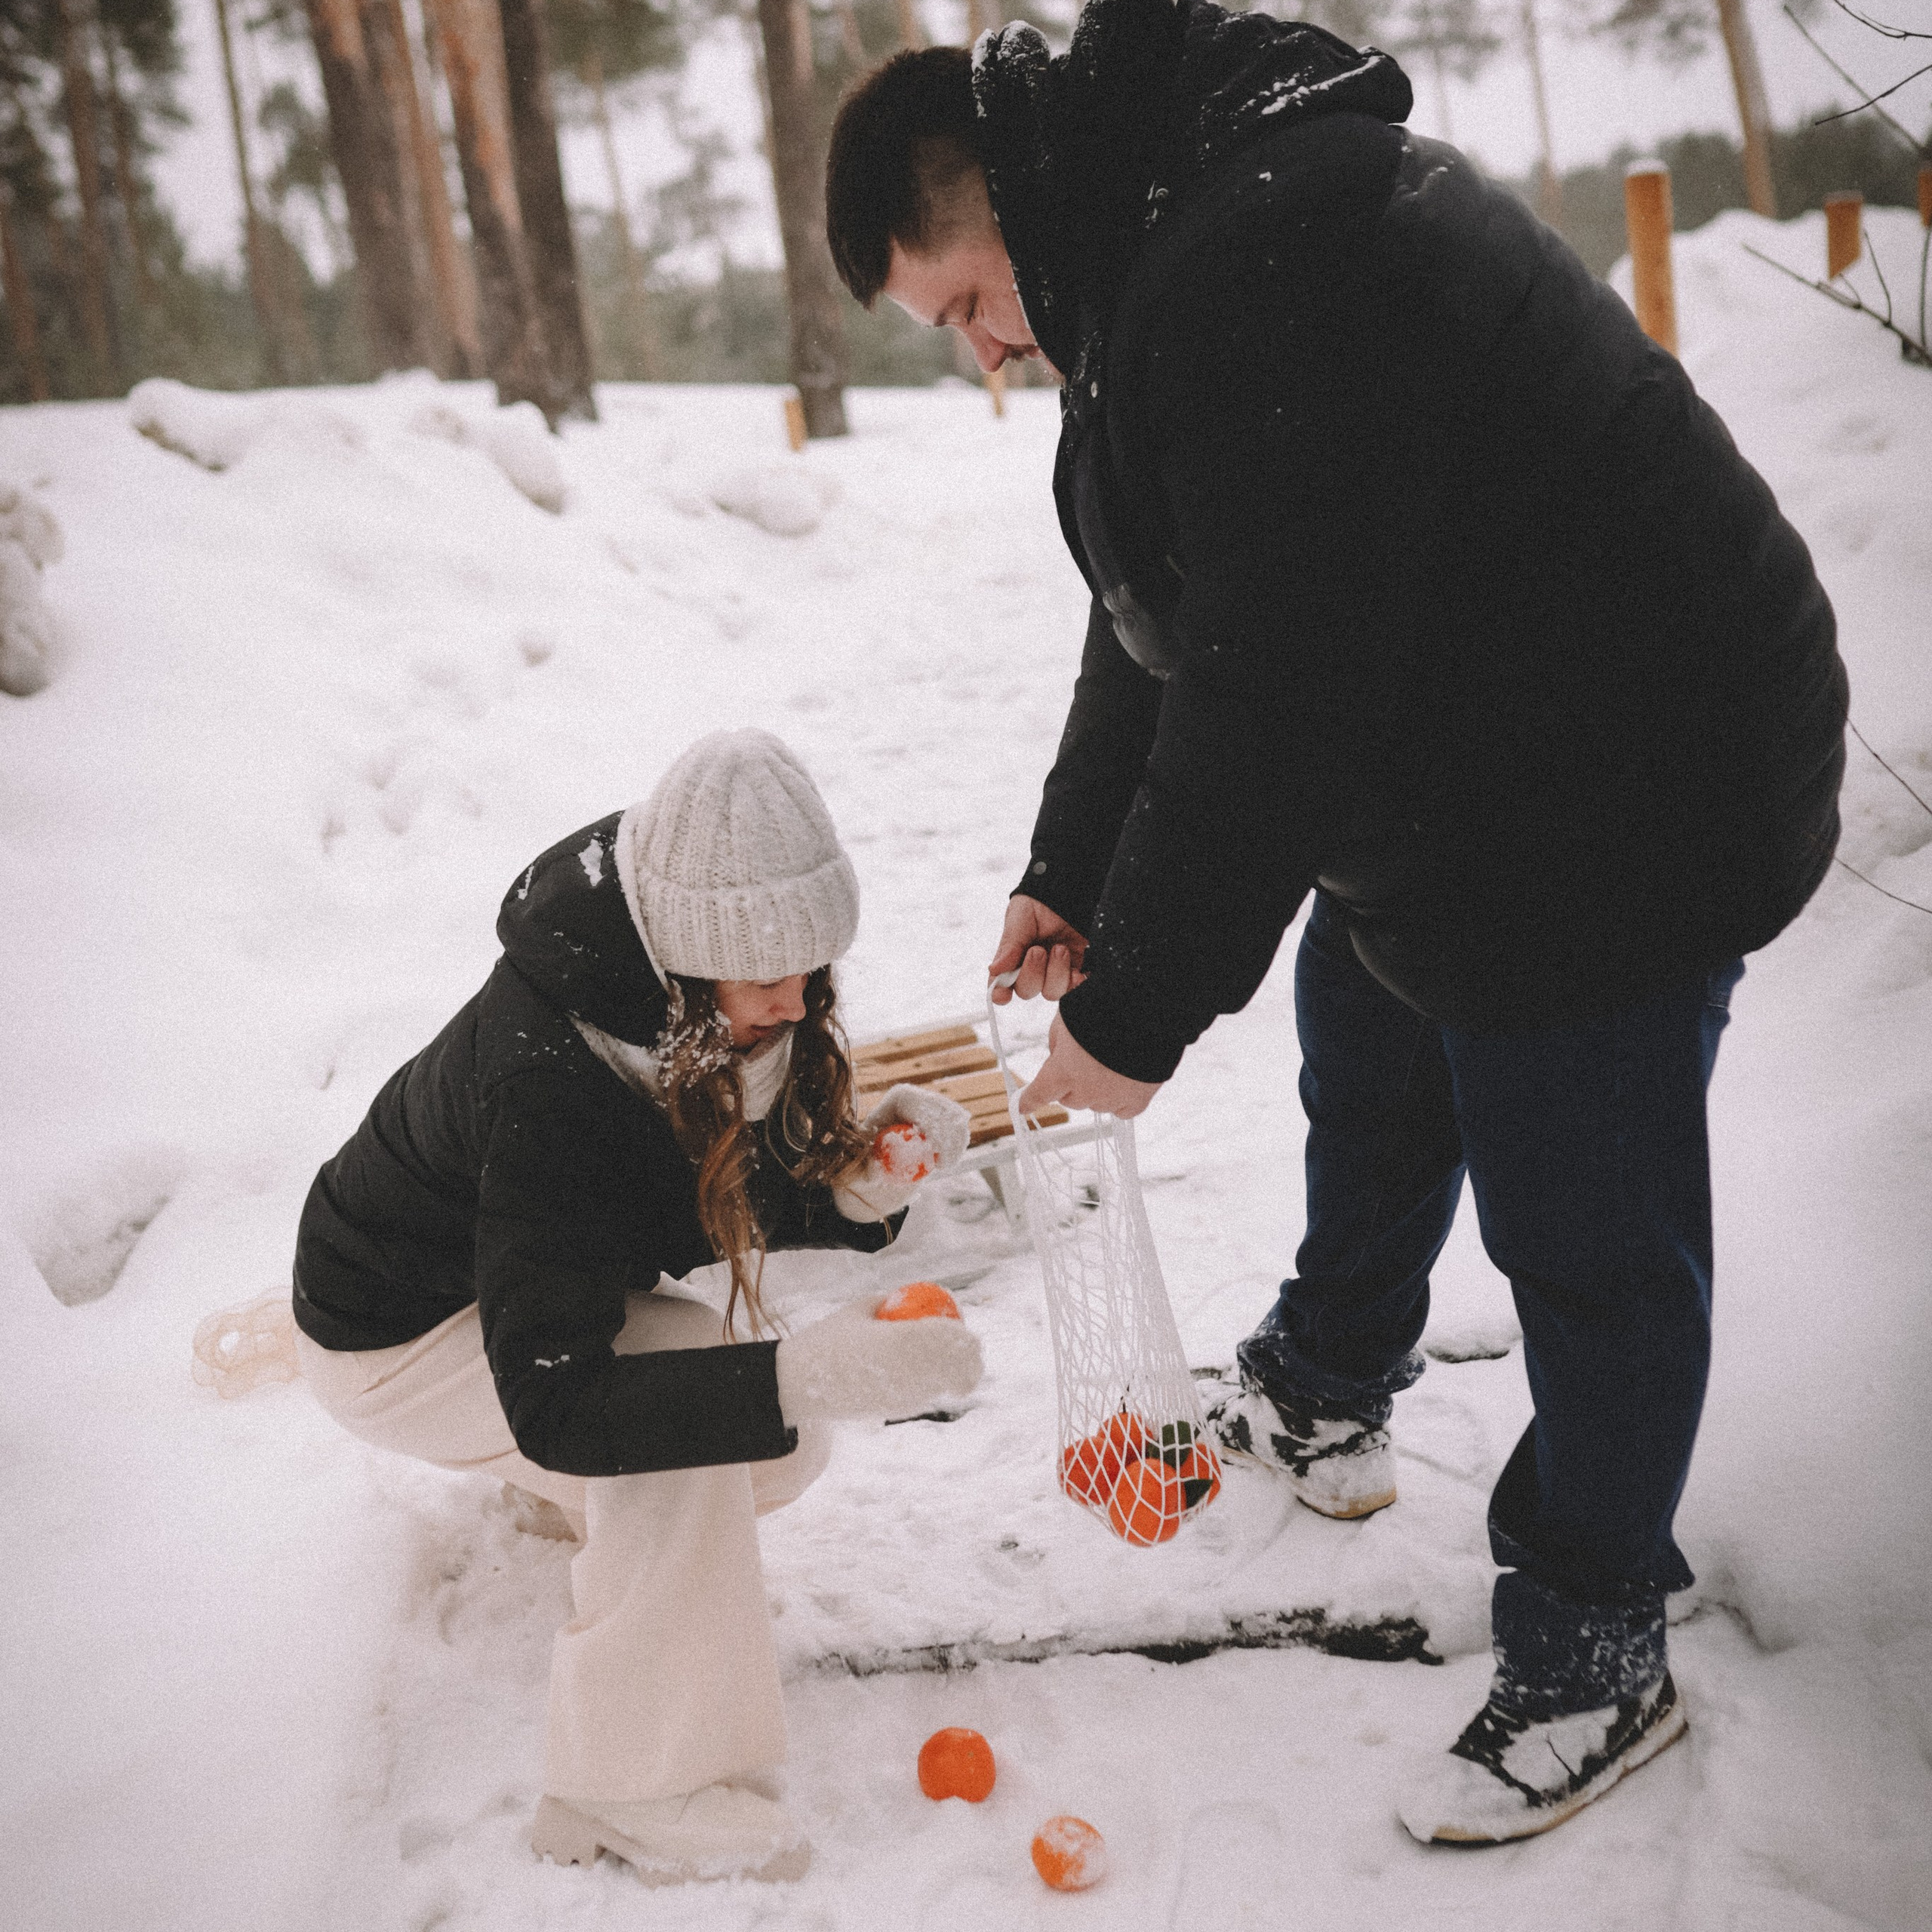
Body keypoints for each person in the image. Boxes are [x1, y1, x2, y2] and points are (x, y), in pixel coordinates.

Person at [825, 0, 1847, 1844]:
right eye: (950, 335)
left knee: (1583, 1207)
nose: (983, 352)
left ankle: (1595, 1632)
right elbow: (1162, 600)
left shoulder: (1269, 255)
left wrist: (1128, 1010)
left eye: (966, 301)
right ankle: (1324, 1378)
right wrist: (1073, 862)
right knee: (1366, 1033)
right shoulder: (1145, 258)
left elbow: (1271, 691)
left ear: (1010, 205)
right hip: (1478, 743)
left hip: (1640, 770)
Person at [291, 728, 980, 1884]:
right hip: (392, 1338)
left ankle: (571, 1521)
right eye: (772, 977)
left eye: (814, 970)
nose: (800, 1001)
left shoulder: (673, 989)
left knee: (771, 1442)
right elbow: (563, 1397)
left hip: (497, 1295)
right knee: (687, 1451)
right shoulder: (553, 1078)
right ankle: (633, 1786)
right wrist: (802, 1367)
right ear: (693, 956)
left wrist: (851, 1191)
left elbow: (665, 1190)